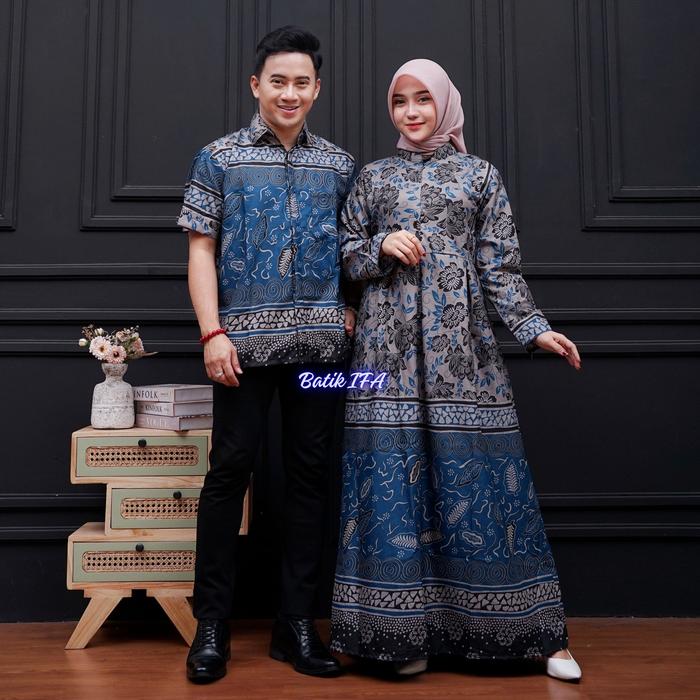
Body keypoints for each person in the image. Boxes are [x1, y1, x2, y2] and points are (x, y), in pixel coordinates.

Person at [330, 58, 583, 682]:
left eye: (423, 99)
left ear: (445, 104)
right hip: (384, 359)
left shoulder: (480, 176)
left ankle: (532, 635)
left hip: (461, 357)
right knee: (390, 485)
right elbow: (343, 255)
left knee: (481, 482)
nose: (411, 112)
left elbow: (500, 265)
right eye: (400, 101)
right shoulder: (373, 178)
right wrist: (379, 247)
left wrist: (534, 328)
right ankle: (397, 637)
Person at [178, 26, 357, 684]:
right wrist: (211, 333)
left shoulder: (339, 166)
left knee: (310, 478)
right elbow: (200, 250)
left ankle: (296, 625)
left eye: (301, 83)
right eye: (278, 81)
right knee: (229, 472)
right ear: (256, 85)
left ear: (317, 89)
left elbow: (354, 251)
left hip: (320, 352)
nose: (290, 93)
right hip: (240, 350)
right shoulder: (218, 158)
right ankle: (212, 624)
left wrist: (350, 308)